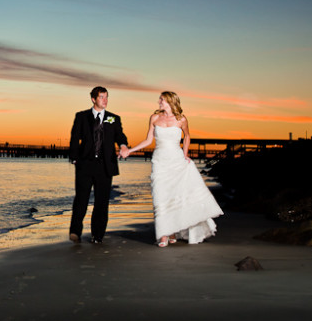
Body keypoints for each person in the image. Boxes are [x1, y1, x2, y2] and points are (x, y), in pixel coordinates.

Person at [126, 91, 223, 247]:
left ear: (170, 102)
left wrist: (185, 154)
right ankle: (164, 234)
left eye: (162, 100)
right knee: (160, 195)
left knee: (175, 195)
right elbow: (148, 140)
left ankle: (171, 231)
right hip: (159, 162)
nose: (159, 102)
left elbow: (187, 136)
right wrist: (130, 151)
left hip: (176, 161)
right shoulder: (154, 118)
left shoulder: (181, 119)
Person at [68, 86, 130, 244]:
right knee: (81, 199)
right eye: (102, 97)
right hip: (85, 165)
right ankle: (75, 231)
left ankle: (98, 235)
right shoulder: (82, 116)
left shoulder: (112, 118)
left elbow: (120, 134)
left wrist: (123, 145)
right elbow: (75, 138)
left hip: (105, 166)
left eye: (107, 97)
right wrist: (75, 158)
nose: (105, 100)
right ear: (93, 99)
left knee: (102, 202)